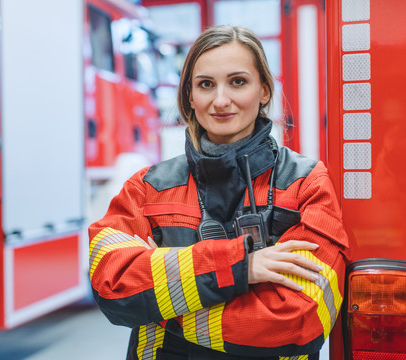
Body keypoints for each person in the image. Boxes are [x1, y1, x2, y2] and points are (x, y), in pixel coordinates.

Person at [88, 25, 348, 360]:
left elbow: (298, 320)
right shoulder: (147, 187)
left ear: (264, 90)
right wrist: (242, 267)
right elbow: (114, 288)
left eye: (238, 82)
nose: (220, 100)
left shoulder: (306, 183)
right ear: (190, 96)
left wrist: (162, 300)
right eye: (206, 85)